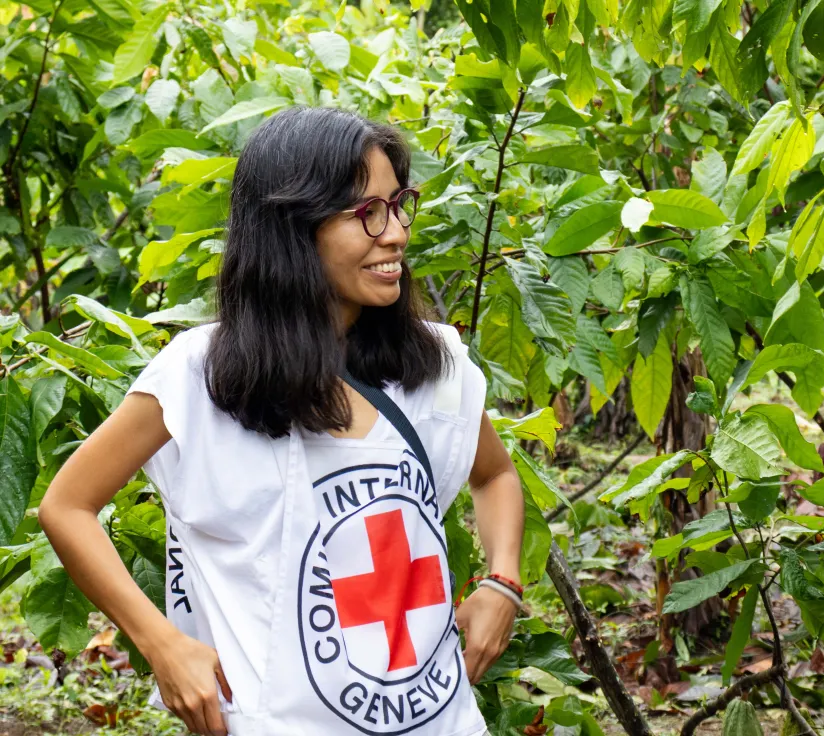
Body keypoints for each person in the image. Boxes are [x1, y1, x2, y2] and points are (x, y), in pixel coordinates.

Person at [39, 107, 526, 736]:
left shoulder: (433, 368)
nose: (397, 233)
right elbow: (68, 506)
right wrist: (161, 644)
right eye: (365, 213)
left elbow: (495, 477)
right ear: (292, 228)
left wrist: (503, 580)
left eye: (399, 203)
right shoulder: (200, 374)